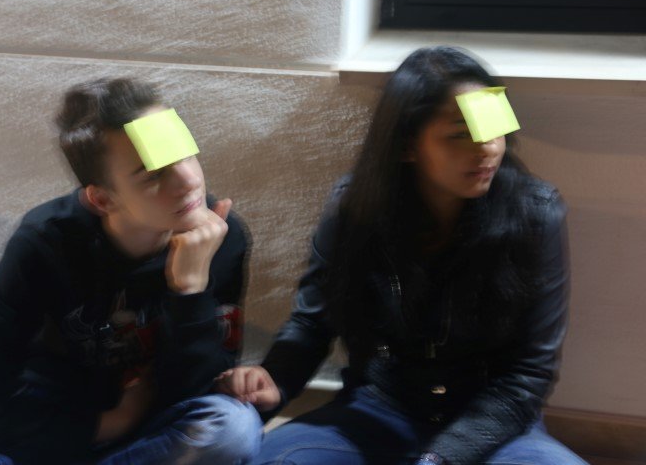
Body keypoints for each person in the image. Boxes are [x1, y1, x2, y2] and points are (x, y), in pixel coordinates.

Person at [215, 46, 586, 464]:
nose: (488, 148)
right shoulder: (354, 208)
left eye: (493, 127)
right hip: (378, 411)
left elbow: (527, 375)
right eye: (460, 133)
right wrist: (274, 380)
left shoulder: (536, 213)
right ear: (407, 145)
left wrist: (439, 458)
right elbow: (313, 322)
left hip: (490, 425)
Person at [0, 78, 261, 464]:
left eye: (185, 153)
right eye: (153, 175)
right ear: (102, 199)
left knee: (233, 428)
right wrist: (113, 423)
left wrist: (190, 288)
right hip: (53, 412)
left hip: (155, 421)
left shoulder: (222, 236)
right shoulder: (45, 241)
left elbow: (199, 391)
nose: (189, 181)